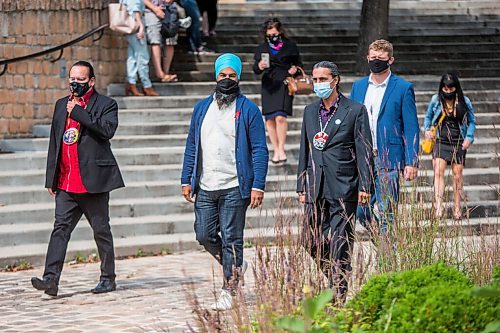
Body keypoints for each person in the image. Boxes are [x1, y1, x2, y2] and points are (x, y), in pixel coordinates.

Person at [181, 53, 269, 310]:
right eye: (223, 75)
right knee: (204, 234)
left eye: (232, 76)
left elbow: (260, 149)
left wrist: (258, 184)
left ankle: (229, 287)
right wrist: (186, 178)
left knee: (232, 238)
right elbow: (191, 146)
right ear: (215, 76)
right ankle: (236, 265)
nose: (227, 80)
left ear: (238, 77)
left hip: (234, 185)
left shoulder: (248, 109)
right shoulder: (201, 109)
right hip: (206, 185)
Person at [31, 61, 125, 297]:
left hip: (93, 181)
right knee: (59, 229)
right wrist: (50, 179)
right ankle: (50, 279)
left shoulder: (106, 104)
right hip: (66, 181)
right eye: (72, 79)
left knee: (101, 230)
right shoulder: (61, 105)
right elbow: (55, 142)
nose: (75, 83)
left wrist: (80, 113)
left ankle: (107, 278)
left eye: (81, 80)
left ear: (91, 81)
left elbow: (106, 131)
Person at [297, 61, 373, 301]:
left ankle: (338, 295)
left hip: (343, 185)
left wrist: (365, 185)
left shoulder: (354, 110)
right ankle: (337, 274)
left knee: (341, 241)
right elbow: (304, 150)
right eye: (315, 79)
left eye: (323, 79)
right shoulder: (310, 111)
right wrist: (301, 184)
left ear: (335, 80)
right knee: (309, 240)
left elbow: (364, 150)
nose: (318, 83)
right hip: (315, 185)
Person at [351, 39, 419, 233]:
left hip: (389, 158)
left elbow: (411, 127)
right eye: (373, 58)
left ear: (390, 60)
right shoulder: (359, 86)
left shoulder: (403, 88)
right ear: (367, 58)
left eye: (381, 58)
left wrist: (411, 161)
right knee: (361, 211)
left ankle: (386, 258)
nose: (376, 61)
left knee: (387, 211)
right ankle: (381, 242)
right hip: (362, 159)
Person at [424, 73, 475, 220]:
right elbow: (428, 117)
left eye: (450, 88)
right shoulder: (436, 100)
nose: (447, 91)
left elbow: (472, 121)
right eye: (445, 88)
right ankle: (439, 206)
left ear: (456, 87)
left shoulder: (464, 101)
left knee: (457, 176)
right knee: (438, 172)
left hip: (458, 141)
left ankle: (457, 207)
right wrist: (427, 130)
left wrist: (469, 137)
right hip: (440, 140)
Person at [253, 17, 302, 164]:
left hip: (285, 83)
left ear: (280, 32)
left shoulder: (290, 46)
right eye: (269, 35)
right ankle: (275, 149)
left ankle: (281, 148)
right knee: (269, 119)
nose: (272, 37)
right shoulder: (262, 48)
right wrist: (260, 66)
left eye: (275, 34)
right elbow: (255, 69)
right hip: (269, 85)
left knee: (281, 117)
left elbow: (299, 65)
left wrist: (295, 70)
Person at [124, 0, 159, 96]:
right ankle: (147, 85)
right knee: (142, 56)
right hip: (136, 25)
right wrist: (141, 26)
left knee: (132, 57)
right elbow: (135, 9)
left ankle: (131, 83)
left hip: (131, 25)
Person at [144, 0, 179, 82]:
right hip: (151, 11)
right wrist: (155, 9)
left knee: (170, 41)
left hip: (169, 9)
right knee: (155, 41)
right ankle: (159, 73)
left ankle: (166, 72)